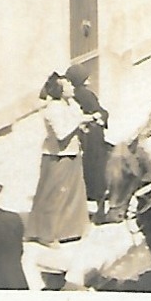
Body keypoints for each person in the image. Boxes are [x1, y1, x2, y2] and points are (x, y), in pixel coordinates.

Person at [28, 72, 91, 245]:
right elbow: (61, 134)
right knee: (54, 196)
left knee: (72, 194)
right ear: (60, 91)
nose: (72, 87)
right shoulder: (53, 109)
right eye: (68, 85)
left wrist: (86, 120)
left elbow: (75, 121)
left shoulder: (70, 104)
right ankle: (47, 234)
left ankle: (69, 230)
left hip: (71, 153)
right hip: (57, 156)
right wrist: (79, 121)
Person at [64, 64, 111, 224]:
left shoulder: (70, 96)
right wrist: (102, 116)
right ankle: (101, 208)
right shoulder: (86, 94)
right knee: (98, 170)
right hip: (93, 138)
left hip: (82, 137)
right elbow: (99, 111)